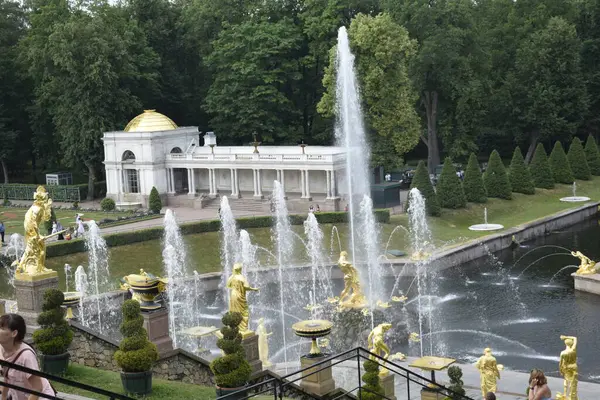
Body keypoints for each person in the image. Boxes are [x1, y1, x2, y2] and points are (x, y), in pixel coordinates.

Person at [0, 313, 55, 400]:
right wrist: (3, 397)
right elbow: (7, 378)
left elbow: (37, 388)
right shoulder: (3, 348)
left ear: (14, 333)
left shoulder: (26, 356)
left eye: (2, 328)